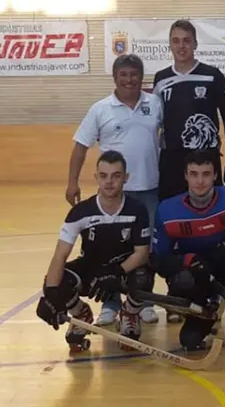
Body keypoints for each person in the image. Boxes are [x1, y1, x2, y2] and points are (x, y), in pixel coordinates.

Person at [66, 54, 160, 326]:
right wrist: (72, 182)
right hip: (114, 194)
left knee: (146, 250)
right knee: (109, 250)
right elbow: (80, 146)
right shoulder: (100, 109)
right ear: (115, 77)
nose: (129, 80)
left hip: (149, 190)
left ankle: (142, 302)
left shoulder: (155, 104)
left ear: (141, 77)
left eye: (134, 74)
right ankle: (110, 303)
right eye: (124, 75)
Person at [151, 150, 225, 354]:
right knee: (189, 336)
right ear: (185, 175)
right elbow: (159, 261)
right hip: (197, 274)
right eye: (194, 174)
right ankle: (206, 309)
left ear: (215, 175)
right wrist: (185, 260)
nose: (200, 181)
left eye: (206, 174)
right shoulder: (167, 211)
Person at [36, 151, 153, 351]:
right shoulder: (80, 212)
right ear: (96, 177)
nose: (109, 182)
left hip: (122, 270)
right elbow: (60, 255)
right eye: (104, 176)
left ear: (125, 178)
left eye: (116, 176)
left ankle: (129, 313)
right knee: (57, 280)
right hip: (91, 269)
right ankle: (81, 314)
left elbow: (141, 254)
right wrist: (51, 295)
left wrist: (116, 272)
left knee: (144, 275)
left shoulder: (137, 210)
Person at [153, 19, 225, 202]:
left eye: (186, 40)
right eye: (176, 41)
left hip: (206, 160)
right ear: (169, 44)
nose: (181, 46)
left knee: (210, 211)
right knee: (173, 211)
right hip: (172, 160)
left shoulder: (213, 75)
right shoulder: (161, 79)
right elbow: (156, 123)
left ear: (195, 44)